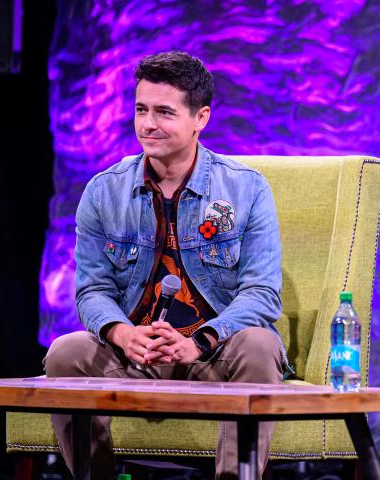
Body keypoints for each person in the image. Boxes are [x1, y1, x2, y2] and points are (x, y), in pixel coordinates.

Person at [44, 51, 289, 480]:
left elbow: (261, 292)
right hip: (135, 354)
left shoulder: (246, 188)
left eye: (163, 112)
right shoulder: (103, 191)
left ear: (201, 118)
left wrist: (199, 341)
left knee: (261, 345)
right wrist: (123, 333)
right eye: (141, 109)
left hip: (214, 353)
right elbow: (93, 290)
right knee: (66, 353)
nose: (148, 124)